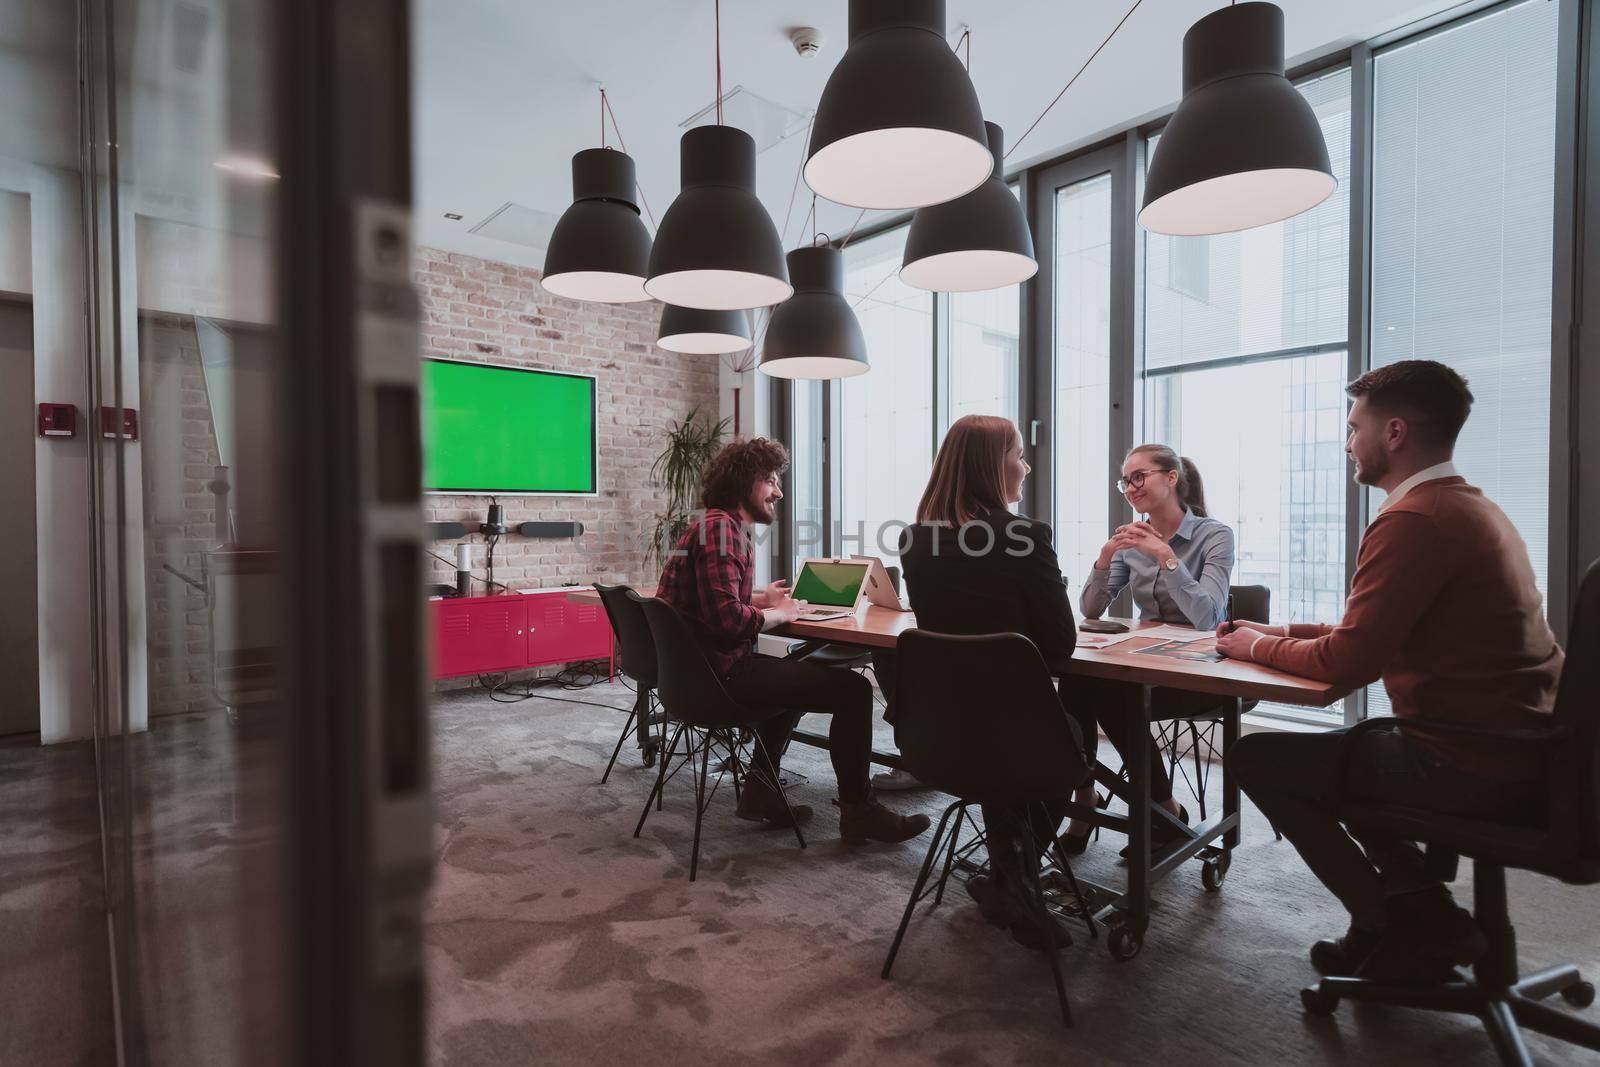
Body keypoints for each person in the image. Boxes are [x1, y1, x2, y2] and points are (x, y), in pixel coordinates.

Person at [1219, 360, 1563, 983]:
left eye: (1355, 428)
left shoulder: (1414, 521)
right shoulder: (1467, 508)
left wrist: (1249, 649)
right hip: (1524, 749)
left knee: (1259, 761)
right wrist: (1275, 633)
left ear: (1395, 433)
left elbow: (1348, 664)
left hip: (1466, 761)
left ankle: (1399, 925)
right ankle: (1419, 912)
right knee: (1350, 755)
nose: (1348, 442)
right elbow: (1377, 628)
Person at [654, 437, 930, 846]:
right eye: (770, 479)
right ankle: (860, 812)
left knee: (795, 677)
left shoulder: (708, 526)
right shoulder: (724, 533)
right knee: (854, 691)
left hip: (690, 681)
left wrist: (757, 600)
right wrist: (778, 614)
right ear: (745, 481)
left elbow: (707, 604)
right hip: (719, 680)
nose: (779, 491)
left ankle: (761, 793)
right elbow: (728, 623)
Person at [896, 415, 1086, 949]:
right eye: (1019, 454)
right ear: (991, 465)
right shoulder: (1026, 536)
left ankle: (1009, 879)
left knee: (1005, 732)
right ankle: (1013, 881)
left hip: (944, 736)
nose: (1025, 466)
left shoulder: (915, 540)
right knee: (1068, 731)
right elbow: (1060, 646)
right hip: (1016, 736)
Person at [1067, 445, 1236, 856]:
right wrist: (1107, 556)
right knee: (1075, 681)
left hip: (1204, 674)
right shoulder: (1131, 540)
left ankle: (1162, 810)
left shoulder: (1214, 535)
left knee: (1113, 694)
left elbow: (1206, 618)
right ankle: (1085, 797)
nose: (1129, 488)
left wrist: (1166, 557)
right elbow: (1090, 609)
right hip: (1147, 664)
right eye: (1125, 481)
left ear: (1171, 477)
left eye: (1138, 477)